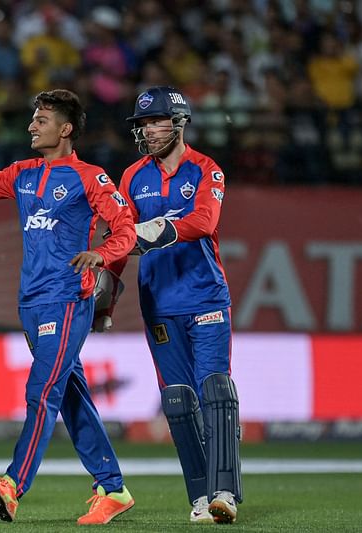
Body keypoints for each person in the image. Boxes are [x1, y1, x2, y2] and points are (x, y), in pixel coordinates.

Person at [0, 89, 136, 525]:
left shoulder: (91, 177)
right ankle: (112, 489)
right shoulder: (22, 173)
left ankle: (13, 484)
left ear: (65, 129)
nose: (32, 126)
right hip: (31, 302)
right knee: (70, 395)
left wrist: (104, 253)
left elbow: (125, 226)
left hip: (68, 298)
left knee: (42, 391)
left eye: (42, 120)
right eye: (33, 119)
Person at [103, 86, 243, 524]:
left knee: (215, 390)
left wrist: (149, 231)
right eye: (142, 124)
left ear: (179, 123)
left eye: (156, 121)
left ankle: (225, 492)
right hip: (158, 304)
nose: (147, 130)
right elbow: (122, 241)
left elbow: (204, 222)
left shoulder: (206, 169)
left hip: (205, 297)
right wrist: (107, 289)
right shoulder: (131, 177)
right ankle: (201, 497)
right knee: (179, 402)